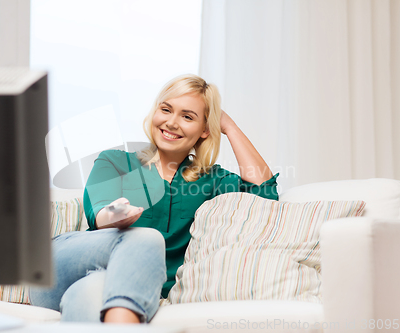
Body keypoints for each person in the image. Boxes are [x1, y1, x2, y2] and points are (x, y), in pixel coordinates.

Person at [29, 74, 279, 324]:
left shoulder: (211, 180)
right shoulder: (115, 161)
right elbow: (99, 214)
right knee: (145, 238)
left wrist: (229, 127)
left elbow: (265, 194)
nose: (171, 122)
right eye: (166, 109)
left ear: (205, 129)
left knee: (88, 294)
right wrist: (116, 215)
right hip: (60, 269)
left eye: (187, 116)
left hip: (129, 286)